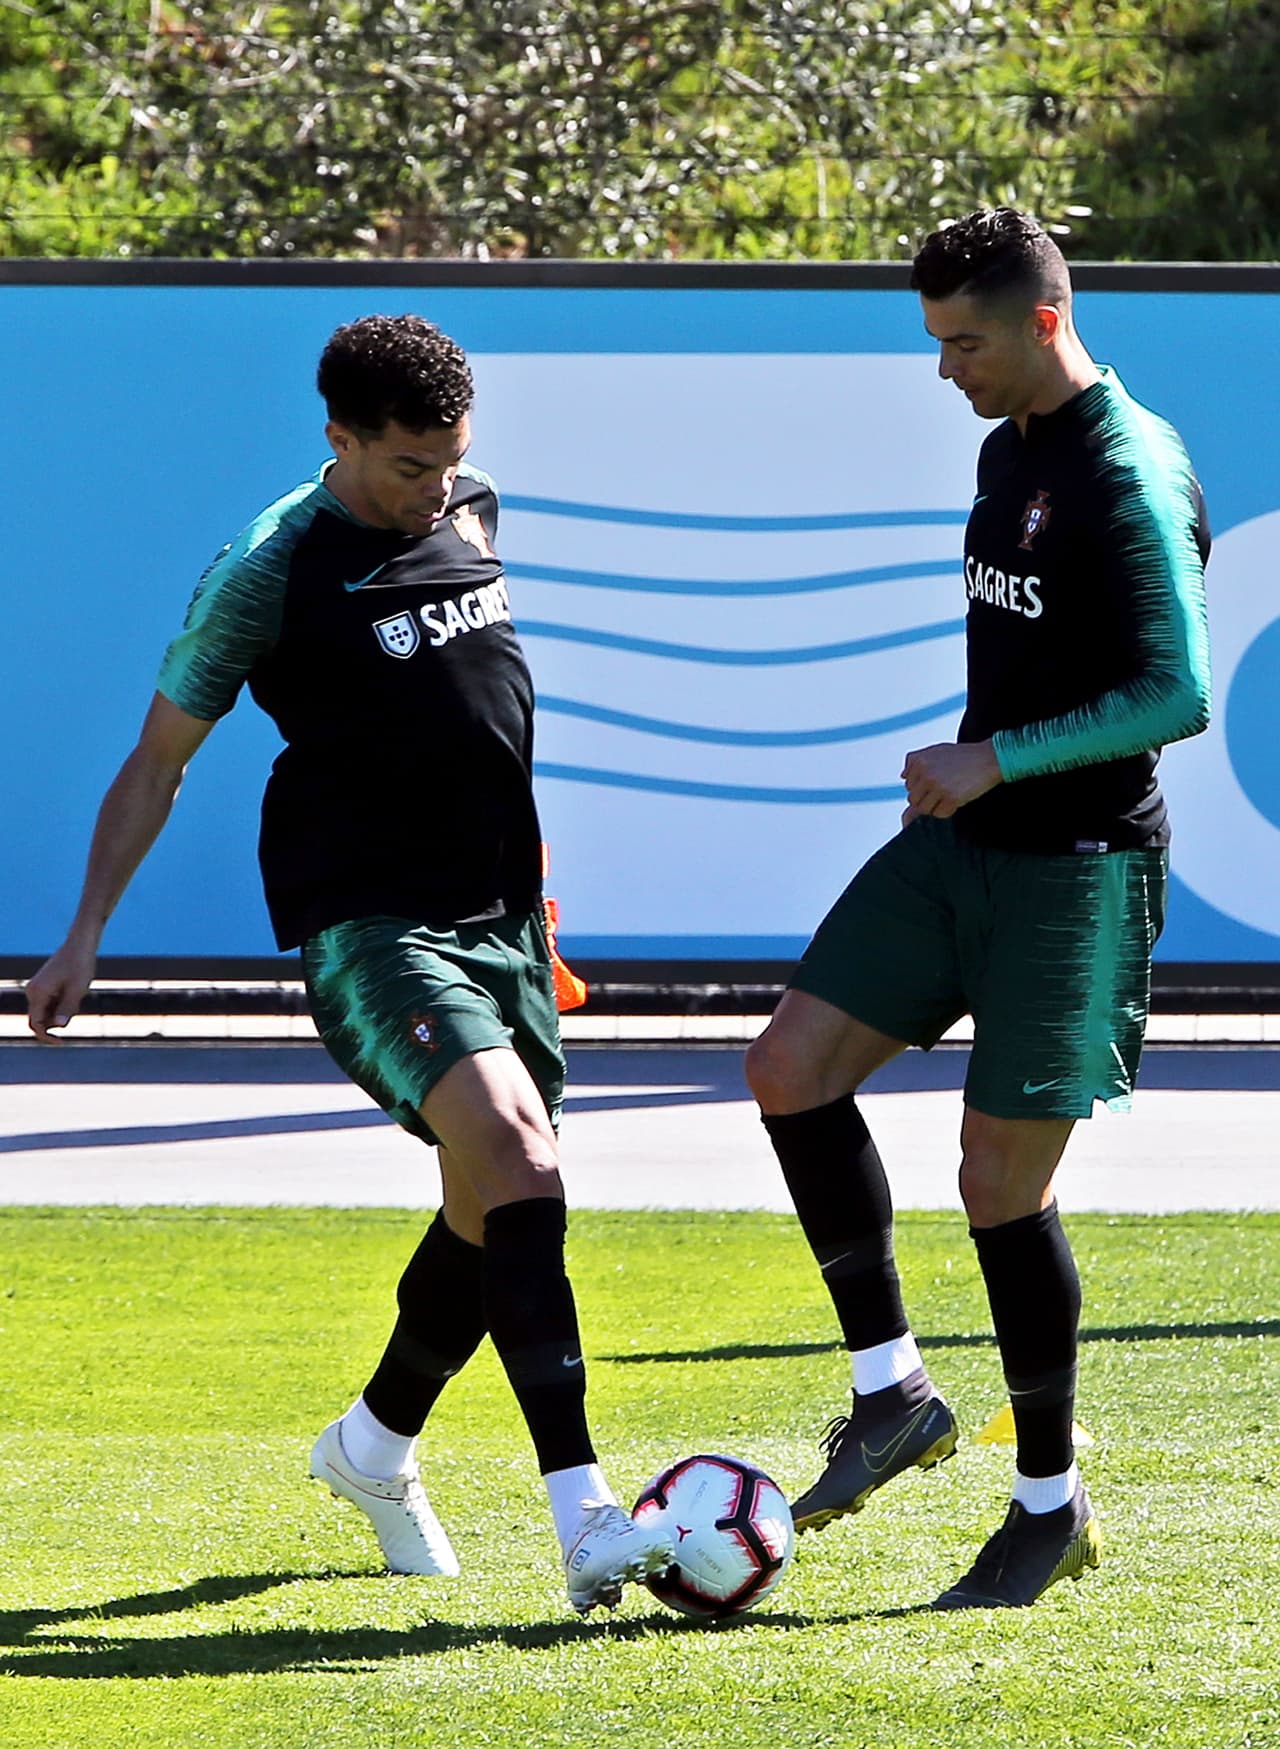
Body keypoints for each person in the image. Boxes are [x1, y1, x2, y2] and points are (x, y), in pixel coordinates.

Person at [25, 313, 673, 1616]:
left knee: (489, 1206)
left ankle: (373, 1446)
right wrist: (86, 929)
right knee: (521, 1156)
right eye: (407, 469)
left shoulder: (473, 507)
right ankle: (586, 1517)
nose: (436, 491)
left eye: (451, 465)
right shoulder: (270, 570)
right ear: (339, 439)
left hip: (501, 923)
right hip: (371, 925)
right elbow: (159, 760)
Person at [745, 207, 1211, 1609]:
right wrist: (976, 772)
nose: (945, 367)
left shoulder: (1126, 471)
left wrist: (993, 756)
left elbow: (1178, 694)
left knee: (1001, 1185)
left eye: (966, 341)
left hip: (1077, 866)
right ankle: (892, 1389)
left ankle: (1047, 1506)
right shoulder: (1007, 447)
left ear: (1045, 322)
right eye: (936, 342)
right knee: (787, 1069)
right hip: (963, 845)